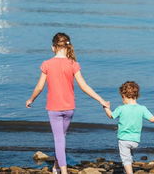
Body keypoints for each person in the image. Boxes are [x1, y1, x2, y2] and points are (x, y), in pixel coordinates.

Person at [26, 32, 108, 174]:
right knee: (61, 138)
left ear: (53, 47)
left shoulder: (47, 64)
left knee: (59, 139)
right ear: (67, 46)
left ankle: (63, 171)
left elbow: (39, 87)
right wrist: (101, 100)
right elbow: (84, 86)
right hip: (69, 108)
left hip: (54, 108)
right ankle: (56, 166)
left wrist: (31, 99)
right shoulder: (73, 64)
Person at [104, 81, 154, 174]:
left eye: (122, 97)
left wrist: (106, 107)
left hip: (123, 139)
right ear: (136, 96)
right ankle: (127, 168)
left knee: (125, 159)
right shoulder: (142, 108)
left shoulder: (121, 108)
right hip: (135, 141)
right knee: (129, 155)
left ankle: (129, 172)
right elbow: (152, 119)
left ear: (124, 95)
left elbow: (111, 116)